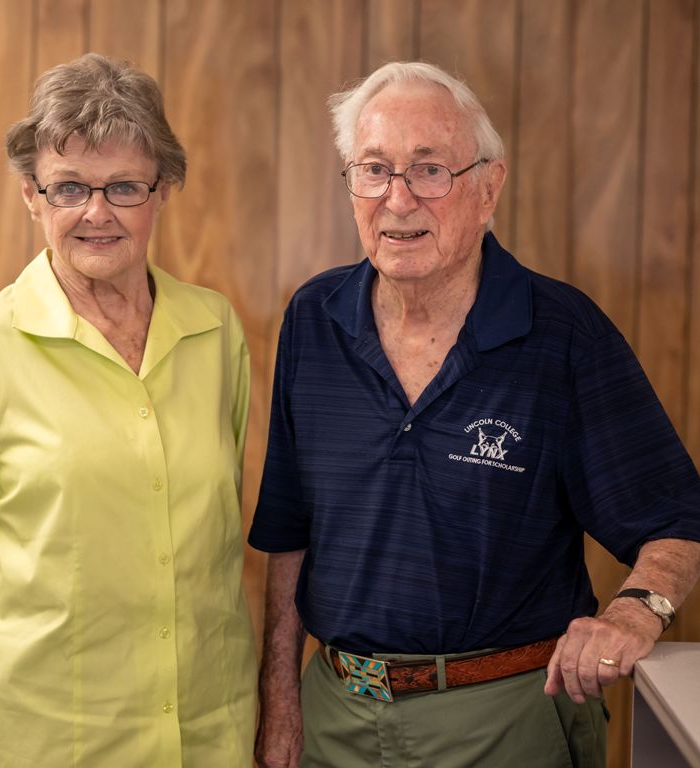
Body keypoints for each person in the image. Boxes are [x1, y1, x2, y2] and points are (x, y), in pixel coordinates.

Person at [249, 61, 700, 768]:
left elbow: (674, 517)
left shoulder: (563, 334)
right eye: (374, 170)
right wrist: (280, 702)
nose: (398, 199)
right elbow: (288, 534)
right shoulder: (314, 318)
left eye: (429, 171)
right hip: (333, 715)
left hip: (505, 718)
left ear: (488, 189)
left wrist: (632, 613)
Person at [0, 53, 256, 767]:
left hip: (202, 727)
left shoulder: (214, 329)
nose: (96, 212)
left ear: (162, 191)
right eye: (68, 187)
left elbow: (222, 530)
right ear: (31, 196)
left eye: (123, 186)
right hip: (35, 732)